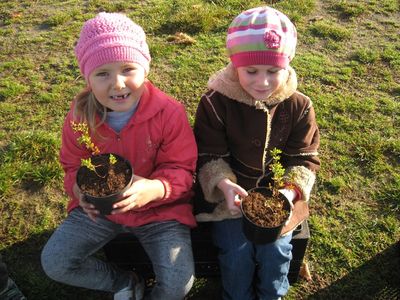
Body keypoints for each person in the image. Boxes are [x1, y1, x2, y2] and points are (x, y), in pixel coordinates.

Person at [41, 12, 197, 300]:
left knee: (178, 284)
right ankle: (125, 283)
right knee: (55, 262)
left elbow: (182, 168)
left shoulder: (169, 112)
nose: (118, 84)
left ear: (146, 69)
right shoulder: (80, 116)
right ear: (87, 78)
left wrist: (155, 188)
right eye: (102, 74)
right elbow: (73, 164)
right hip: (101, 211)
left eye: (128, 69)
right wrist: (80, 190)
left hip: (159, 212)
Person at [193, 6, 320, 300]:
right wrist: (223, 184)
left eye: (273, 71)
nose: (262, 82)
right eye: (251, 71)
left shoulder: (299, 106)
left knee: (276, 252)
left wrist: (288, 194)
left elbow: (304, 158)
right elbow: (210, 154)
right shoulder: (216, 103)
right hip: (230, 200)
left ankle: (271, 294)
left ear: (287, 66)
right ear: (234, 64)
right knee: (235, 254)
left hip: (278, 200)